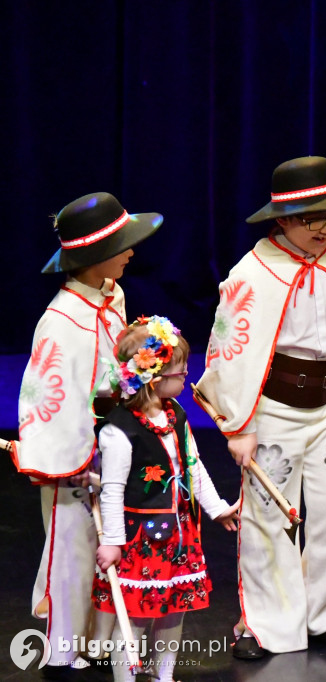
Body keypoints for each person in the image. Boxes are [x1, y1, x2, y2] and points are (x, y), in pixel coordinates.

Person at [195, 155, 326, 659]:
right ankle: (269, 625)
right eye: (313, 218)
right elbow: (231, 351)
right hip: (272, 409)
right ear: (284, 219)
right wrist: (238, 425)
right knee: (268, 518)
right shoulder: (254, 271)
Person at [13, 192, 162, 679]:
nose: (132, 252)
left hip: (111, 445)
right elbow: (46, 396)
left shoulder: (111, 295)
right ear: (96, 258)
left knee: (108, 546)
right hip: (77, 452)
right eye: (123, 245)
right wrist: (79, 456)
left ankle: (97, 643)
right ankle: (61, 653)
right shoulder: (61, 323)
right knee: (71, 551)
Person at [94, 316, 239, 681]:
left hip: (178, 534)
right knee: (137, 617)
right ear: (154, 378)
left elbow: (192, 465)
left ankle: (164, 675)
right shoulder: (119, 430)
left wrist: (217, 509)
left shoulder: (176, 415)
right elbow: (110, 491)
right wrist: (112, 541)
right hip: (140, 539)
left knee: (174, 611)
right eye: (181, 371)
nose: (187, 376)